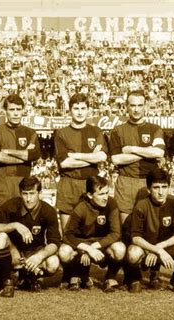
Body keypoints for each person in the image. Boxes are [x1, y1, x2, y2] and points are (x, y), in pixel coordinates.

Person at [54, 93, 108, 288]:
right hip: (69, 184)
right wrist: (89, 157)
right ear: (70, 110)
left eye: (83, 108)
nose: (79, 112)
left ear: (88, 110)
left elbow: (101, 156)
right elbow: (64, 162)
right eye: (75, 108)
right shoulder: (61, 133)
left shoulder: (96, 130)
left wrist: (76, 155)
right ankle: (70, 275)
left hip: (90, 185)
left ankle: (83, 274)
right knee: (68, 233)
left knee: (86, 232)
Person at [0, 176, 61, 297]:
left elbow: (54, 242)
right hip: (14, 253)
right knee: (0, 237)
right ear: (20, 193)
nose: (28, 199)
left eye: (32, 194)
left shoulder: (48, 211)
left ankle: (29, 276)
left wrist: (39, 256)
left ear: (40, 193)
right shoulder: (11, 206)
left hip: (35, 252)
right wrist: (14, 225)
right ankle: (6, 281)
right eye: (25, 194)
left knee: (53, 263)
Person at [125, 168, 174, 293]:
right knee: (133, 253)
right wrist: (155, 250)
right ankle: (136, 279)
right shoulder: (141, 205)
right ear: (149, 189)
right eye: (156, 188)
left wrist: (160, 248)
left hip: (166, 248)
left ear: (169, 187)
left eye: (164, 187)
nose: (161, 192)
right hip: (146, 248)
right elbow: (135, 238)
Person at [59, 176, 124, 292]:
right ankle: (72, 275)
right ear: (90, 195)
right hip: (83, 243)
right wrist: (85, 249)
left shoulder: (112, 203)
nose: (105, 198)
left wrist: (93, 247)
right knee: (64, 252)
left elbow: (116, 233)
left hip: (101, 244)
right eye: (101, 194)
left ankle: (110, 277)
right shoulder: (81, 207)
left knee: (120, 249)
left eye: (107, 193)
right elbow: (67, 235)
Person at [109, 90, 165, 224]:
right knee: (125, 228)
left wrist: (131, 149)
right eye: (133, 105)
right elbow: (116, 159)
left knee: (150, 228)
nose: (136, 109)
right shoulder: (118, 130)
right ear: (126, 107)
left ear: (145, 106)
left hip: (148, 182)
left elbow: (159, 153)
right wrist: (147, 152)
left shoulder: (155, 129)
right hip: (125, 182)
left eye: (140, 105)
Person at [0, 94, 41, 212]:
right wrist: (25, 156)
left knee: (25, 224)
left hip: (24, 183)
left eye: (18, 109)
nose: (15, 113)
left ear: (23, 110)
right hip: (3, 183)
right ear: (5, 111)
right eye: (12, 110)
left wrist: (7, 151)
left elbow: (34, 155)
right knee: (0, 224)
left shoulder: (30, 133)